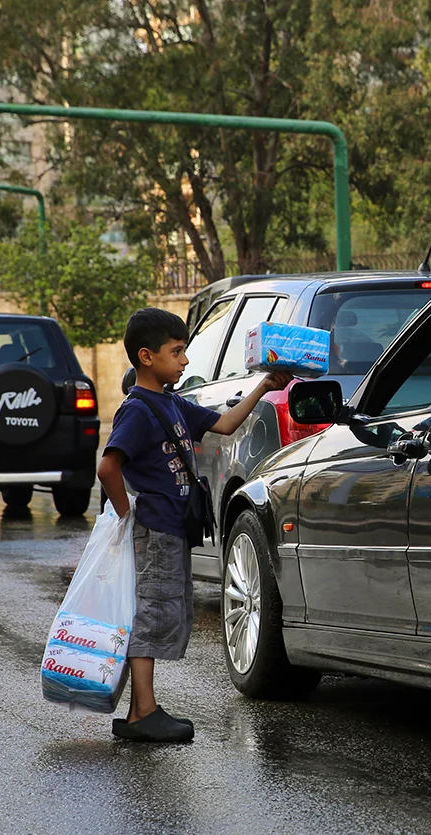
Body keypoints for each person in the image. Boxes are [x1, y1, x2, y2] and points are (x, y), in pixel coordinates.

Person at [97, 308, 290, 743]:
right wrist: (127, 517)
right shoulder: (138, 410)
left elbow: (224, 424)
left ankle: (139, 711)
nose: (185, 360)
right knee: (152, 613)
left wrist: (264, 386)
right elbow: (108, 468)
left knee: (162, 609)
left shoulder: (172, 402)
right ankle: (143, 712)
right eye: (177, 351)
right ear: (146, 356)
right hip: (155, 528)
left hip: (170, 529)